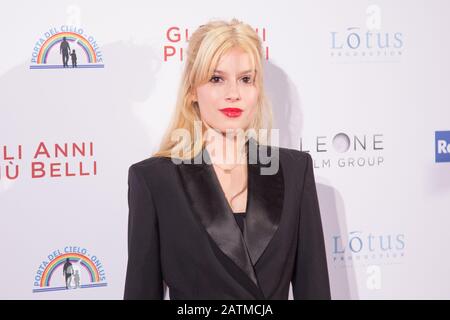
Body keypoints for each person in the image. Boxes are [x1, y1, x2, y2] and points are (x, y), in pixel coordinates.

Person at [124, 18, 330, 300]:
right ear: (192, 90)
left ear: (258, 90)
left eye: (246, 79)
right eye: (216, 79)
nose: (233, 94)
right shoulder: (154, 180)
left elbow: (315, 289)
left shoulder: (295, 171)